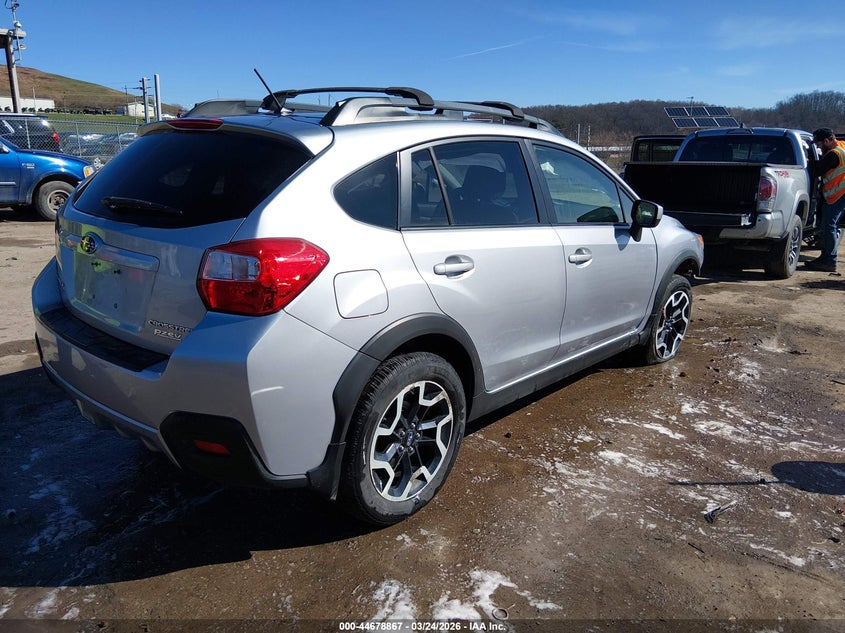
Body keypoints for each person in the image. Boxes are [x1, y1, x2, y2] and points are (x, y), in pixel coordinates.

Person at [806, 127, 845, 272]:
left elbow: (816, 170)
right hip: (840, 193)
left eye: (820, 144)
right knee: (829, 226)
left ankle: (829, 261)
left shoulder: (833, 155)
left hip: (838, 194)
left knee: (829, 226)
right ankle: (826, 257)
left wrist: (809, 160)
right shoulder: (841, 146)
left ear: (828, 141)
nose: (818, 147)